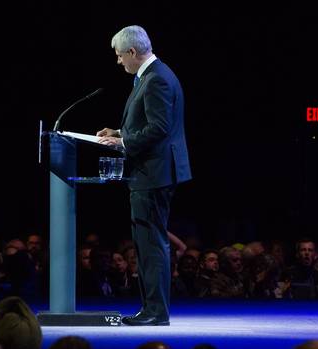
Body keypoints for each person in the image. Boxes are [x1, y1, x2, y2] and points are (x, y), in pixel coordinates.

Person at [97, 25, 191, 326]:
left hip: (154, 174)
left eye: (120, 55)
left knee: (151, 244)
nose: (118, 61)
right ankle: (151, 309)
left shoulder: (156, 80)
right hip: (151, 172)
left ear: (133, 52)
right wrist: (120, 131)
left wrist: (124, 142)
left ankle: (155, 312)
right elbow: (149, 123)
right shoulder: (152, 76)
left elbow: (159, 128)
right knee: (147, 243)